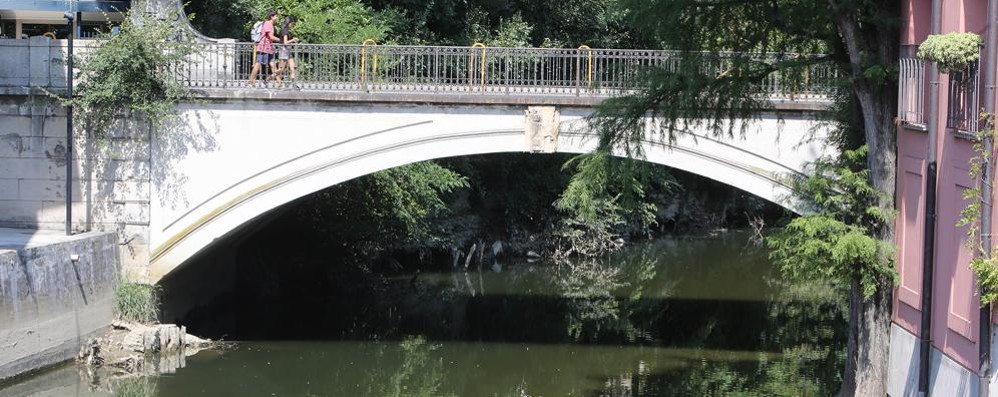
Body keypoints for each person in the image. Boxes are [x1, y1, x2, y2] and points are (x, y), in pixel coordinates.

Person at [248, 10, 280, 87]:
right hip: (263, 47)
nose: (277, 17)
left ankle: (279, 82)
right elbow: (271, 36)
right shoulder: (268, 24)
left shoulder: (270, 24)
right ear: (272, 17)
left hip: (268, 48)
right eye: (276, 16)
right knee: (258, 64)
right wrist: (281, 40)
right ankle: (250, 81)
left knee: (273, 65)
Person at [275, 16, 299, 89]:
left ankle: (294, 84)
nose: (292, 25)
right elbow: (285, 42)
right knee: (281, 69)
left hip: (287, 50)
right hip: (284, 51)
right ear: (289, 23)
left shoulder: (285, 30)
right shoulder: (284, 30)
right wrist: (293, 40)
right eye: (292, 24)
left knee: (293, 68)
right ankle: (267, 80)